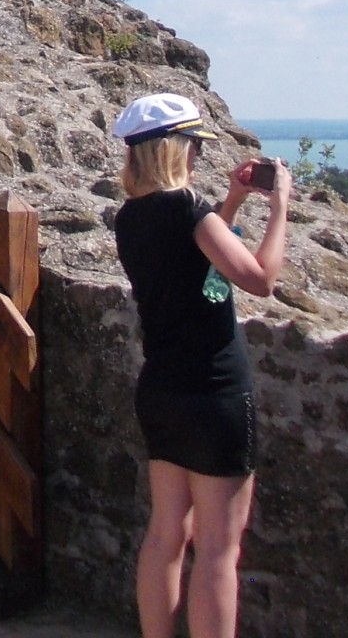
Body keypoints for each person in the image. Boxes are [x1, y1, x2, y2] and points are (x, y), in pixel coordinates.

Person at [110, 93, 290, 638]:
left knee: (165, 534)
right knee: (217, 549)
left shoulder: (130, 218)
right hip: (214, 394)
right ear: (175, 149)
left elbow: (199, 267)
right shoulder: (189, 211)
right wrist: (279, 206)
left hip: (162, 390)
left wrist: (231, 202)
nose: (197, 156)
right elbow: (259, 279)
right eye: (194, 146)